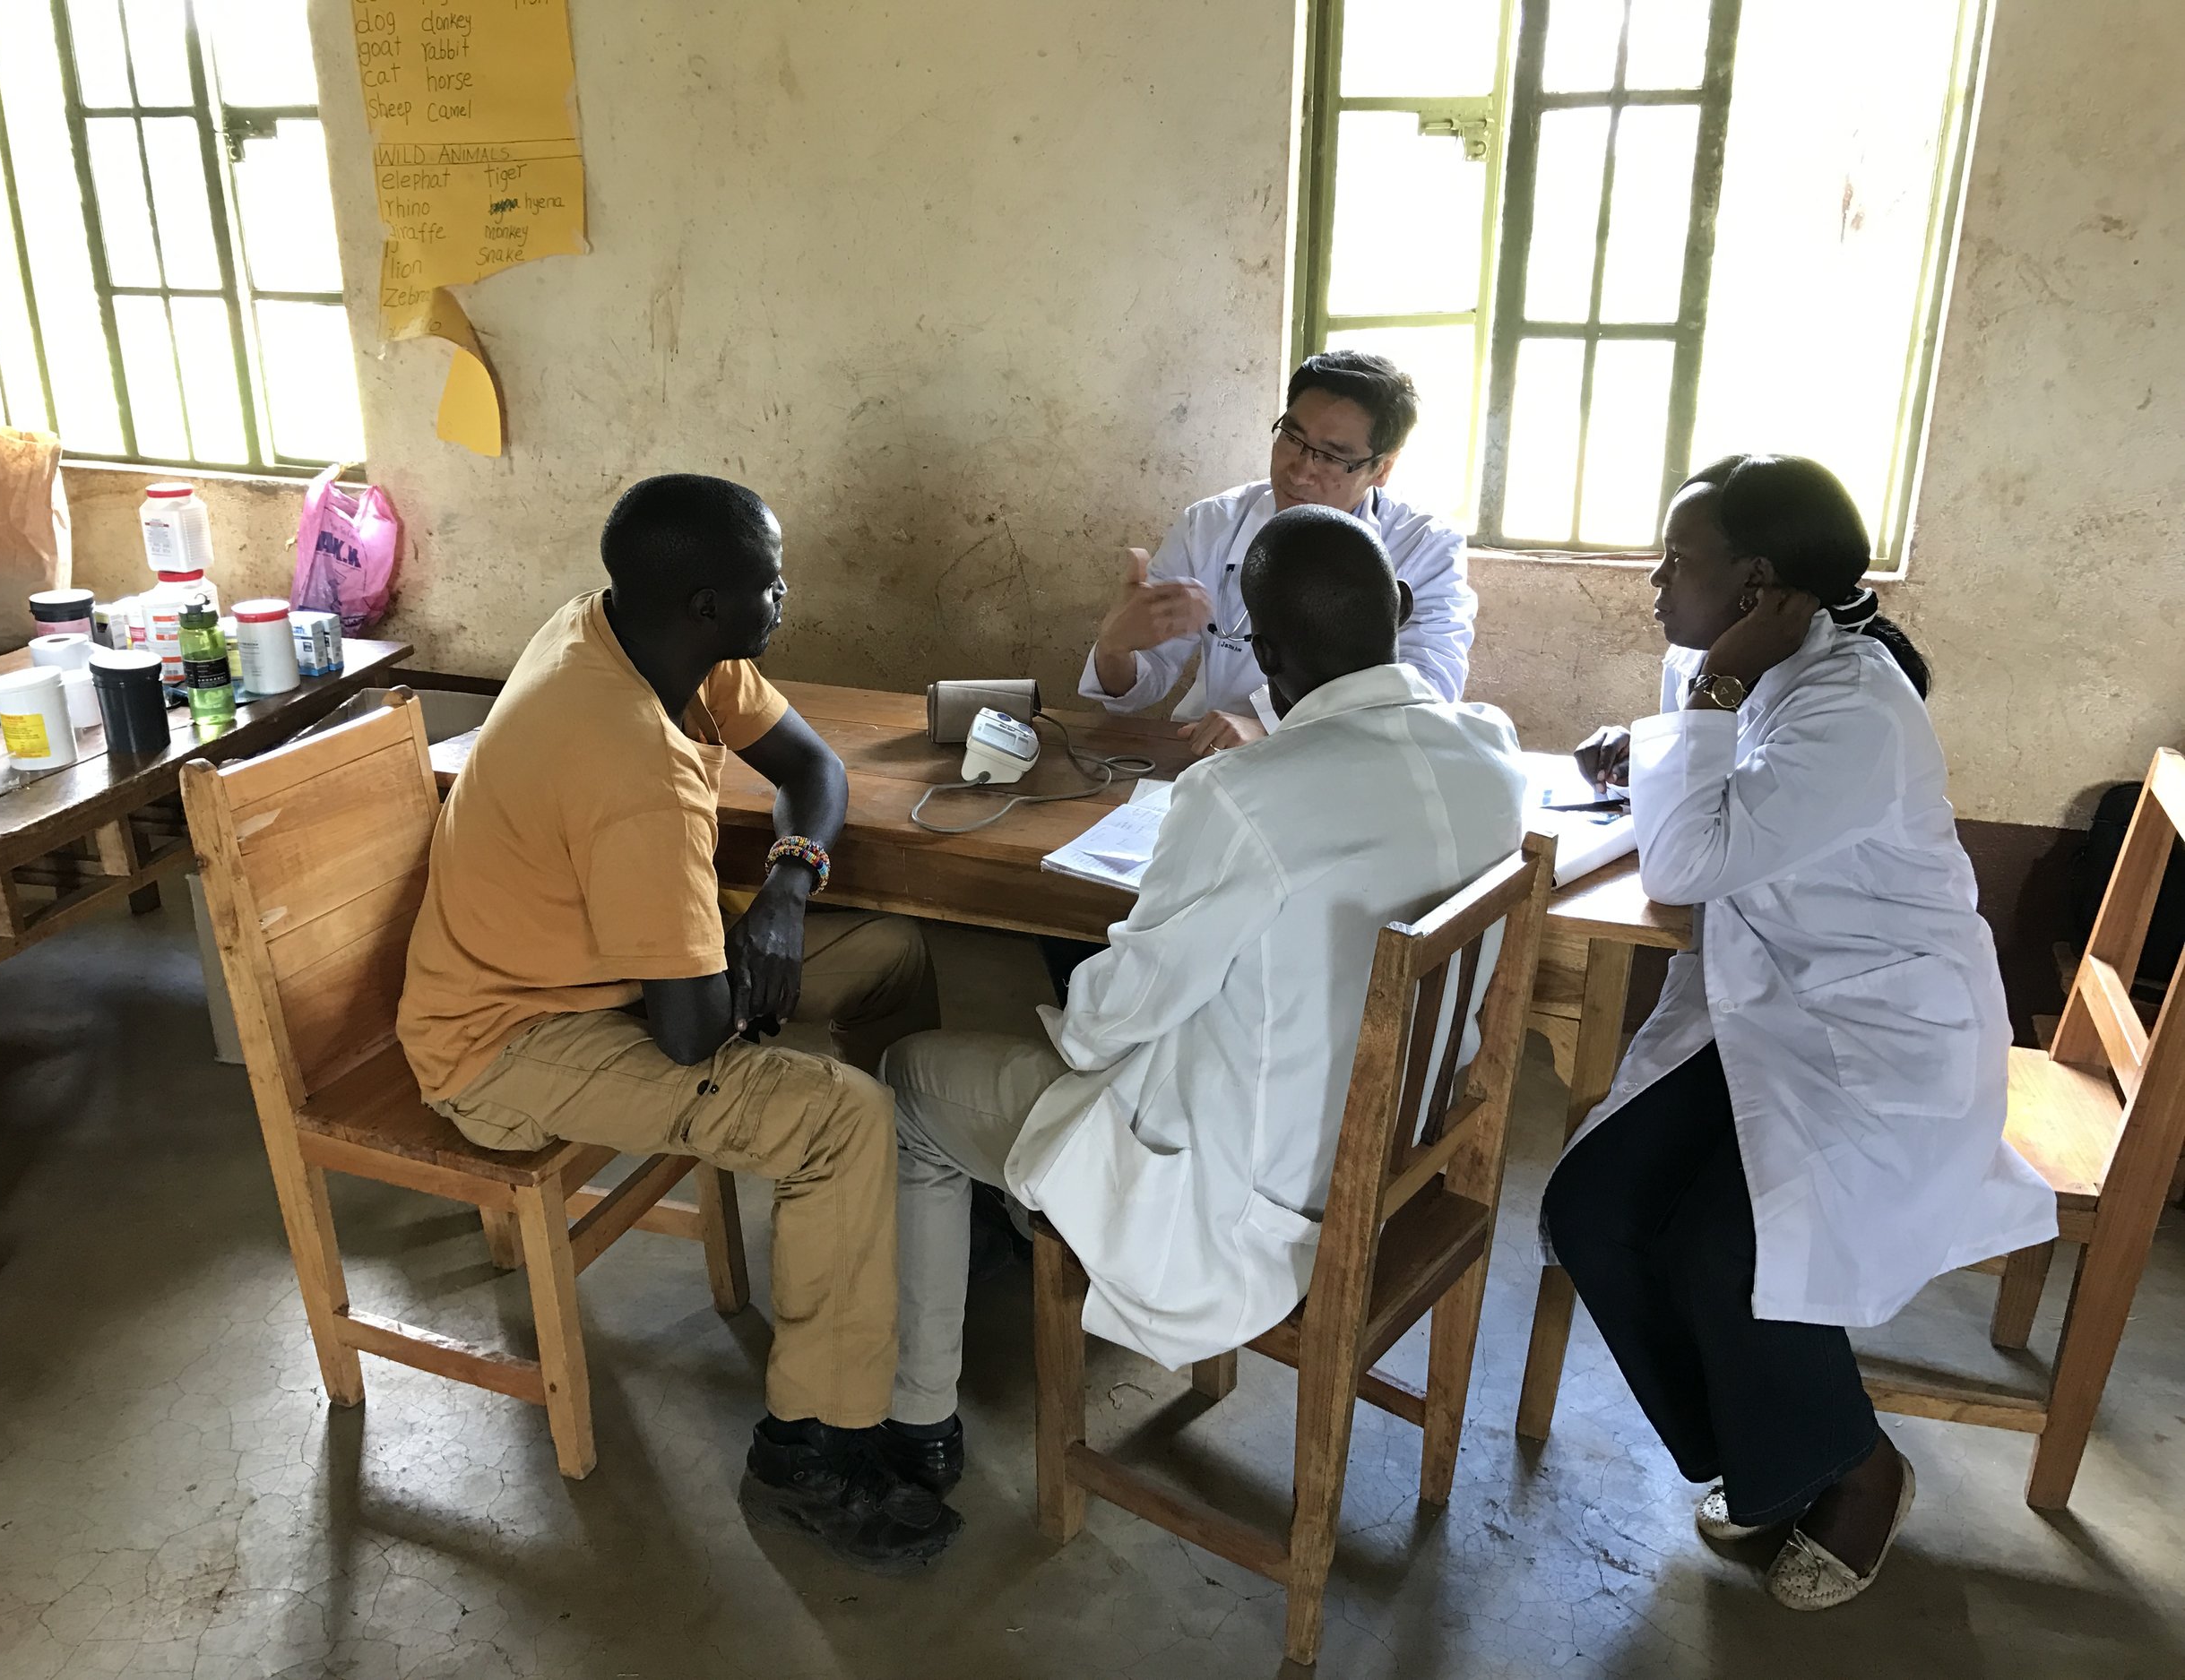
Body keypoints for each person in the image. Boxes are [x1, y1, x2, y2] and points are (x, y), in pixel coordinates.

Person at [874, 504, 1524, 1495]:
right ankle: (1016, 1211)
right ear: (1394, 611)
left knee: (912, 1078)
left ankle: (911, 1421)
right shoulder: (1490, 747)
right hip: (1397, 1163)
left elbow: (1100, 1031)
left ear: (1259, 647)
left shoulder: (1244, 796)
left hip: (1243, 1215)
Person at [396, 474, 960, 1570]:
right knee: (836, 1118)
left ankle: (915, 1229)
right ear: (706, 601)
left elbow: (810, 765)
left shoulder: (636, 635)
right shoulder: (629, 761)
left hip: (604, 971)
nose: (787, 593)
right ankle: (810, 1447)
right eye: (771, 581)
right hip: (506, 1046)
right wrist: (738, 973)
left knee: (890, 954)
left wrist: (788, 896)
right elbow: (692, 1036)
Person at [1542, 454, 2056, 1611]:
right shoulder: (1760, 662)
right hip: (1769, 1006)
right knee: (1592, 1206)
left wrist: (1706, 708)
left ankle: (1859, 1465)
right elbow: (1724, 818)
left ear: (1758, 584)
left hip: (1879, 1039)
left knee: (1728, 1247)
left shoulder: (1859, 704)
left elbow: (1691, 858)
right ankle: (1769, 1455)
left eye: (1681, 561)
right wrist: (1668, 741)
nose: (1656, 583)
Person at [1080, 349, 1477, 757]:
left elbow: (1429, 696)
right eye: (1292, 437)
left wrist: (1275, 728)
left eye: (1332, 456)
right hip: (1211, 758)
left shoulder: (1426, 547)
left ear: (1382, 469)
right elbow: (1136, 689)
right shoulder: (1211, 526)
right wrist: (1114, 647)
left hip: (1347, 766)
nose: (1300, 470)